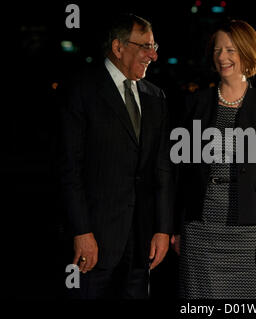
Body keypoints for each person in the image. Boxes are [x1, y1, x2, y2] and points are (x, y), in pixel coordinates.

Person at [59, 13, 174, 299]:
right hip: (93, 242)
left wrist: (162, 229)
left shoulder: (155, 97)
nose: (153, 55)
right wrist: (81, 232)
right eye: (145, 47)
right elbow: (68, 168)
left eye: (155, 46)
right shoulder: (81, 90)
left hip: (141, 244)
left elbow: (162, 169)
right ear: (118, 47)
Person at [171, 20, 256, 299]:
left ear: (247, 53)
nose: (222, 57)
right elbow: (180, 174)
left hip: (250, 230)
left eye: (231, 50)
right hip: (200, 230)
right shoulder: (195, 104)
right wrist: (175, 227)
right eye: (218, 50)